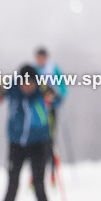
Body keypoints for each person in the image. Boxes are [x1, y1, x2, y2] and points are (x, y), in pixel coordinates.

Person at [0, 65, 60, 201]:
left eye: (30, 83)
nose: (27, 87)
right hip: (16, 145)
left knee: (39, 186)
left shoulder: (42, 90)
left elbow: (57, 101)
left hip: (39, 144)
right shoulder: (12, 89)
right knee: (12, 186)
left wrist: (52, 95)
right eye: (24, 83)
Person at [33, 47, 67, 186]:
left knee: (51, 140)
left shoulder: (53, 69)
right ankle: (34, 174)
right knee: (35, 141)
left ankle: (52, 172)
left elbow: (62, 87)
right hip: (37, 109)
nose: (40, 60)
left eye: (42, 57)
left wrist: (58, 98)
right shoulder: (33, 70)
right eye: (38, 58)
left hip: (51, 108)